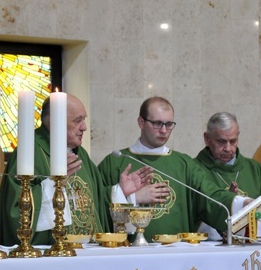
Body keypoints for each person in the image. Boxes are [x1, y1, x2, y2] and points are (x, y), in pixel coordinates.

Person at [0, 93, 167, 246]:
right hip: (51, 254)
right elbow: (15, 210)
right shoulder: (30, 151)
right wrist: (53, 184)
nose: (84, 127)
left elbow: (97, 202)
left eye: (84, 120)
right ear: (53, 122)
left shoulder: (81, 155)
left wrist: (121, 192)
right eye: (77, 121)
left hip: (88, 253)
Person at [98, 97, 252, 240]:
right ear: (141, 122)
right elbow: (97, 204)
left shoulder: (184, 164)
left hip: (176, 253)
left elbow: (209, 195)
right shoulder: (115, 162)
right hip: (129, 254)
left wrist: (242, 203)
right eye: (157, 123)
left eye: (169, 124)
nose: (164, 130)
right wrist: (131, 198)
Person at [194, 111, 261, 236]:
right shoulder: (194, 169)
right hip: (212, 250)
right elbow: (192, 211)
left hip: (252, 248)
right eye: (221, 142)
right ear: (207, 139)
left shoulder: (254, 169)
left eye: (233, 141)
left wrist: (248, 224)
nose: (228, 148)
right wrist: (228, 204)